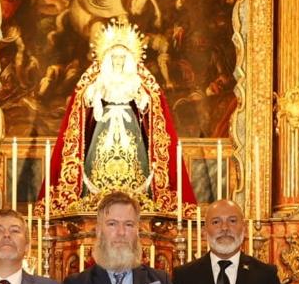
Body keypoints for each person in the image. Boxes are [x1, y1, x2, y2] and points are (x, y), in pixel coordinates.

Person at [42, 18, 195, 214]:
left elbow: (150, 104)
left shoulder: (135, 81)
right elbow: (85, 101)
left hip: (130, 126)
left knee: (135, 162)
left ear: (129, 60)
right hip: (103, 127)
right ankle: (95, 198)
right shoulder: (99, 80)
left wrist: (143, 100)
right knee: (97, 162)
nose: (118, 61)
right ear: (108, 59)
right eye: (115, 58)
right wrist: (93, 98)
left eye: (122, 58)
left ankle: (137, 196)